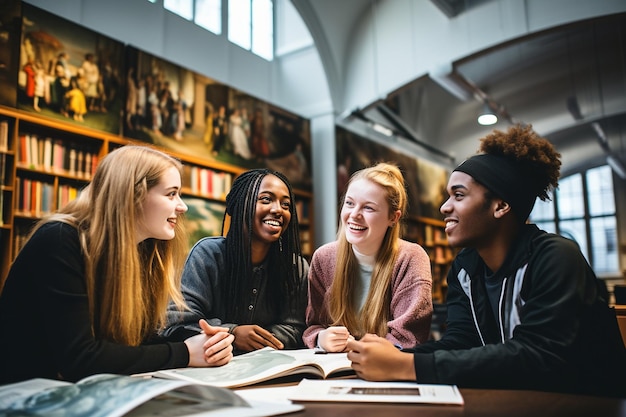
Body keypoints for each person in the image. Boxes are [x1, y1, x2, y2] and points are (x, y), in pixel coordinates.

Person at [346, 124, 626, 397]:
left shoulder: (556, 258)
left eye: (458, 195)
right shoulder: (465, 267)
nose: (444, 207)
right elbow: (460, 342)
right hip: (520, 401)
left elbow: (538, 356)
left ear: (500, 206)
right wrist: (392, 355)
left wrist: (407, 365)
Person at [0, 145, 234, 384]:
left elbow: (135, 341)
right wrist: (185, 353)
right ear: (133, 195)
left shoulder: (142, 251)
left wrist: (202, 344)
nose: (182, 206)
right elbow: (81, 359)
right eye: (171, 194)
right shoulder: (60, 240)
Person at [163, 168, 309, 354]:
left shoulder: (295, 267)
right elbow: (178, 321)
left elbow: (297, 328)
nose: (278, 210)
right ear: (240, 205)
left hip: (268, 370)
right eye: (266, 199)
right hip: (211, 368)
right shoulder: (207, 255)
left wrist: (259, 339)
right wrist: (232, 333)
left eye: (286, 205)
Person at [303, 162, 433, 352]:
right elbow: (311, 326)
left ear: (393, 218)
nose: (354, 215)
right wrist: (321, 338)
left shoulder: (411, 258)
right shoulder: (323, 258)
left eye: (369, 208)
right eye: (349, 203)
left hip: (387, 371)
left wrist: (359, 350)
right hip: (334, 371)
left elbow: (408, 338)